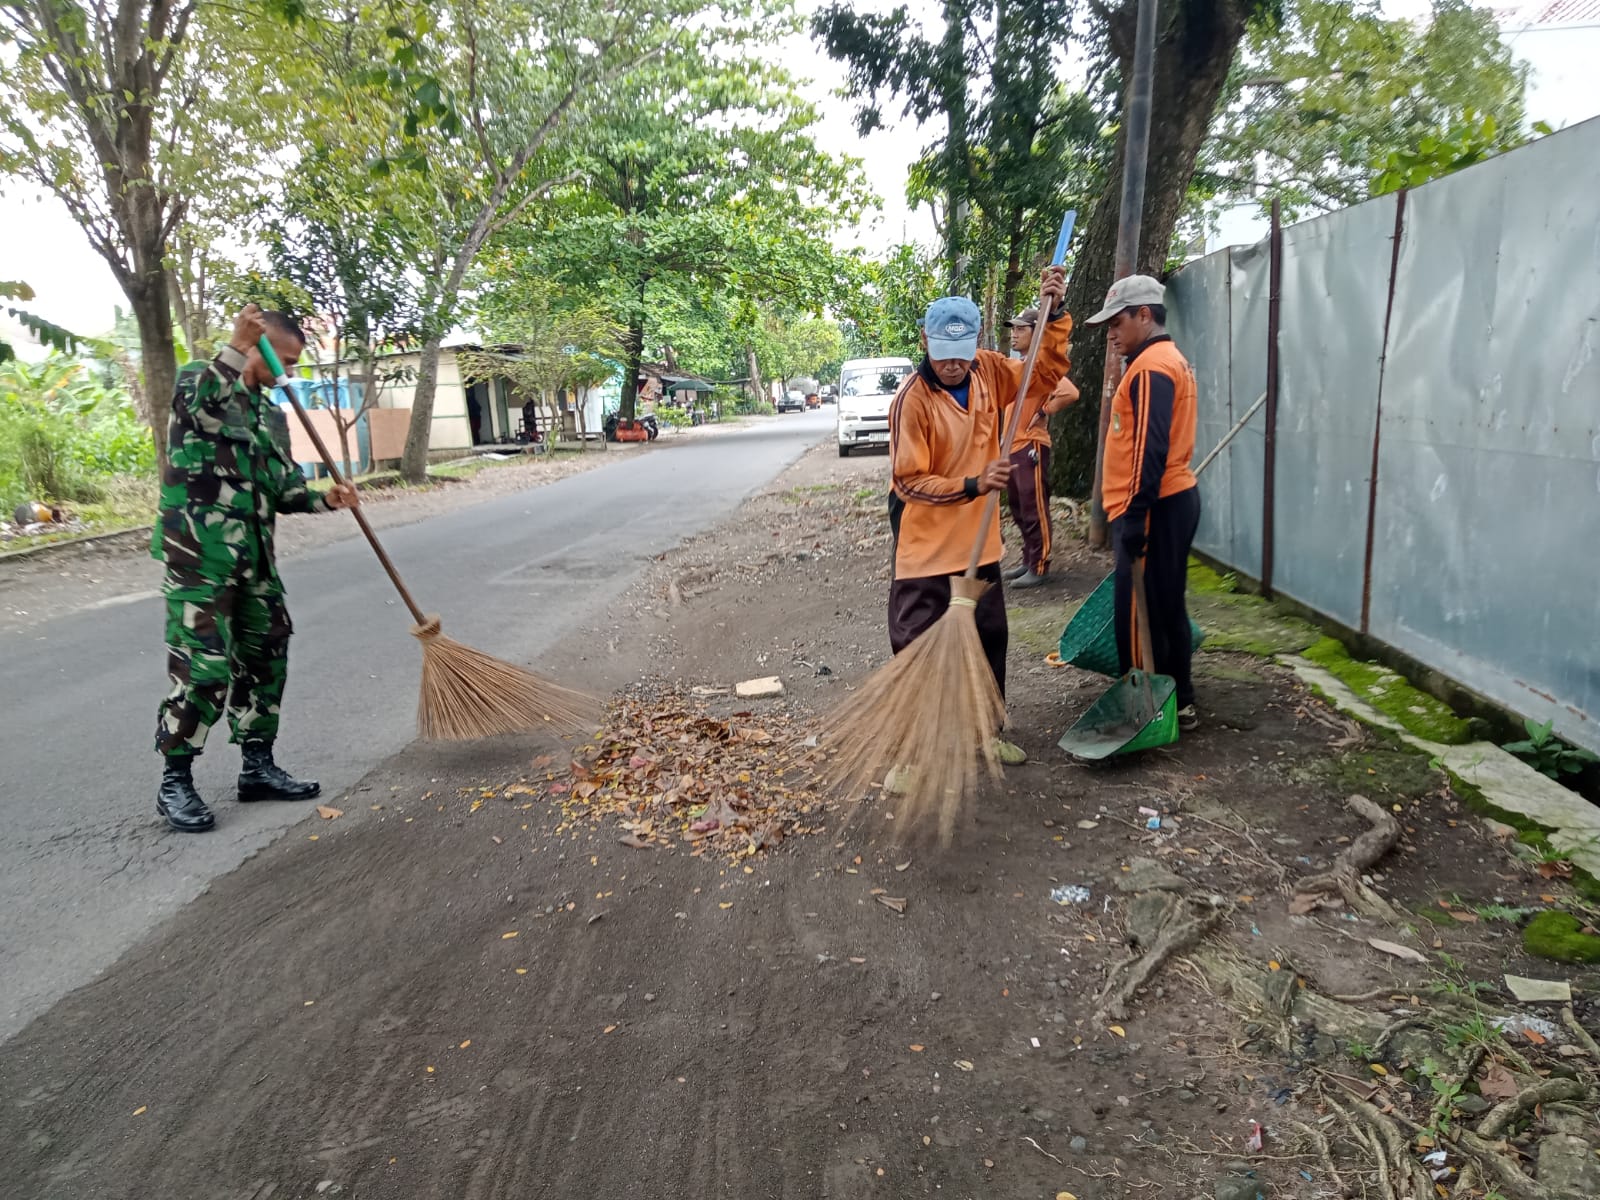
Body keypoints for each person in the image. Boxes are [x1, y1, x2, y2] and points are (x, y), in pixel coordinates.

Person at [152, 304, 359, 833]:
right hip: (200, 559)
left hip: (255, 561)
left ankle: (257, 766)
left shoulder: (270, 413)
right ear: (256, 346)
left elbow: (283, 487)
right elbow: (194, 406)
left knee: (268, 656)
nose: (287, 372)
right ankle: (176, 779)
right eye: (282, 359)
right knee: (204, 668)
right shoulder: (201, 379)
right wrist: (233, 350)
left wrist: (325, 500)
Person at [887, 266, 1069, 766]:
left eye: (961, 354)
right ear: (925, 341)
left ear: (977, 342)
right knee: (914, 650)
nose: (953, 365)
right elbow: (908, 481)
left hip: (980, 545)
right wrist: (971, 484)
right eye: (943, 355)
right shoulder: (912, 401)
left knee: (990, 641)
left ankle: (988, 732)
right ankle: (914, 753)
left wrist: (1056, 316)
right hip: (925, 548)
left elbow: (1045, 376)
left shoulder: (989, 370)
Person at [1084, 274, 1201, 732]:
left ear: (1145, 316)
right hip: (1164, 502)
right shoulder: (1162, 360)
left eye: (1118, 322)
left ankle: (1153, 704)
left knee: (1139, 615)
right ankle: (1179, 699)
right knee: (1166, 606)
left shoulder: (1152, 367)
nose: (1111, 334)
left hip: (1154, 507)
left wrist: (1133, 518)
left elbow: (1149, 450)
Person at [1003, 307, 1081, 589]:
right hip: (1012, 446)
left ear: (1038, 333)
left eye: (1021, 329)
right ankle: (1028, 559)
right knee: (1018, 507)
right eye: (1014, 329)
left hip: (1031, 446)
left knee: (1034, 506)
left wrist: (1045, 409)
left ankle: (1040, 563)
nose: (1015, 334)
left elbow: (1070, 392)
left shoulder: (1041, 367)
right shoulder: (1020, 365)